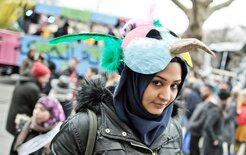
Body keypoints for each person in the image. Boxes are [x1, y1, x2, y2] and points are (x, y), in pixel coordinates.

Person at [49, 19, 215, 154]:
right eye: (157, 82)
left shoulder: (173, 132)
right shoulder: (84, 127)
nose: (166, 96)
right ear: (133, 80)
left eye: (174, 85)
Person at [6, 61, 51, 135]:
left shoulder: (24, 80)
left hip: (15, 119)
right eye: (45, 77)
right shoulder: (33, 88)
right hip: (20, 122)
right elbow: (37, 106)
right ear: (39, 76)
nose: (47, 80)